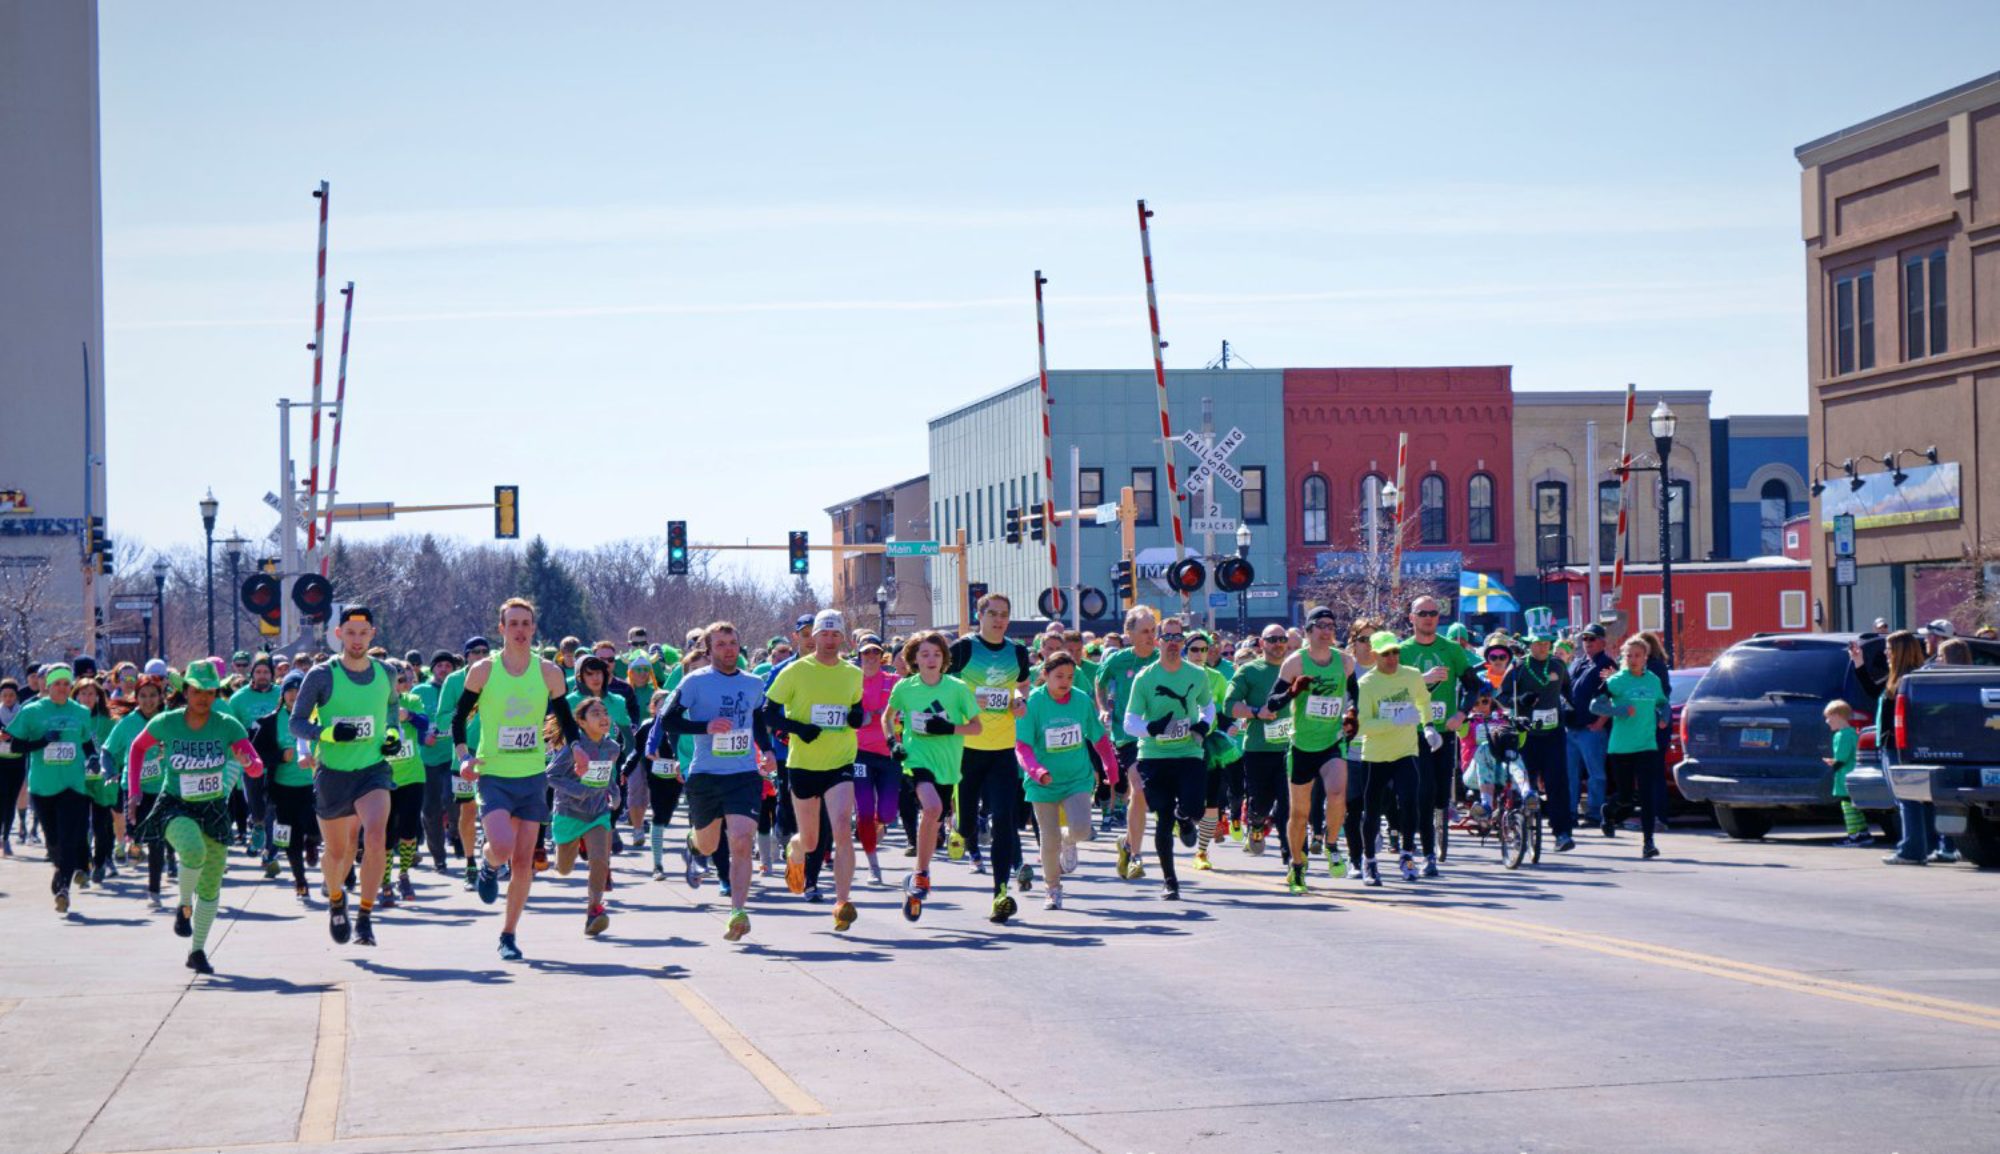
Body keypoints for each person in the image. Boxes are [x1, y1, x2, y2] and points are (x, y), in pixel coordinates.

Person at [453, 597, 582, 961]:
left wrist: (578, 749)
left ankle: (508, 934)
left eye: (526, 623)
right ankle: (489, 864)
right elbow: (458, 718)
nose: (520, 630)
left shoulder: (548, 673)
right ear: (501, 629)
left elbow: (565, 718)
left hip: (532, 775)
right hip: (493, 772)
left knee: (524, 861)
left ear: (534, 628)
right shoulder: (482, 671)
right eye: (513, 624)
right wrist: (464, 756)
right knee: (503, 846)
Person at [125, 662, 265, 974]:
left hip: (214, 809)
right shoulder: (168, 722)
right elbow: (137, 748)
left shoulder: (228, 725)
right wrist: (134, 792)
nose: (203, 697)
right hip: (176, 804)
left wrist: (249, 763)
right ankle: (183, 905)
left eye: (210, 691)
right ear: (186, 691)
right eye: (197, 690)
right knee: (192, 851)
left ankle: (197, 951)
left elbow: (256, 765)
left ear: (217, 693)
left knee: (212, 887)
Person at [652, 622, 775, 942]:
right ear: (708, 650)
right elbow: (667, 719)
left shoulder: (753, 683)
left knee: (741, 838)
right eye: (720, 644)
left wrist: (769, 750)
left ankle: (737, 911)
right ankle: (695, 844)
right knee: (709, 843)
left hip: (744, 774)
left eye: (733, 642)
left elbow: (759, 719)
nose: (729, 649)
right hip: (705, 774)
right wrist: (705, 727)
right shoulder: (695, 682)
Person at [290, 606, 404, 948]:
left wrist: (393, 736)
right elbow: (296, 723)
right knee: (338, 854)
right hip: (333, 774)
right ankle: (337, 898)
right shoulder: (322, 675)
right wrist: (327, 734)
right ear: (338, 634)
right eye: (350, 633)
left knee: (375, 838)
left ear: (372, 634)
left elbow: (391, 710)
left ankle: (365, 918)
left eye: (363, 633)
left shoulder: (386, 673)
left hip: (372, 771)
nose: (357, 640)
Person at [765, 609, 866, 932]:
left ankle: (842, 902)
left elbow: (856, 708)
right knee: (811, 841)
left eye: (836, 634)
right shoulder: (795, 671)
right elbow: (768, 713)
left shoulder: (852, 673)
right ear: (814, 637)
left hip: (841, 762)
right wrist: (799, 728)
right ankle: (795, 850)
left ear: (843, 638)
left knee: (840, 827)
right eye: (824, 634)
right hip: (804, 764)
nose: (829, 640)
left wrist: (855, 717)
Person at [883, 631, 980, 922]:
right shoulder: (905, 688)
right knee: (933, 808)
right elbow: (887, 718)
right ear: (914, 659)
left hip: (948, 764)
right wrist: (893, 743)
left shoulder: (957, 688)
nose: (931, 659)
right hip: (916, 758)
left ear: (944, 659)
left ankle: (916, 877)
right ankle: (922, 874)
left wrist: (949, 729)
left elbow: (976, 728)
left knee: (935, 819)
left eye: (936, 654)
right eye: (924, 654)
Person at [947, 594, 1034, 909]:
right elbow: (941, 684)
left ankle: (1000, 892)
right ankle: (960, 825)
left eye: (1004, 614)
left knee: (1005, 819)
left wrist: (1019, 701)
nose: (999, 620)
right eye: (993, 614)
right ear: (979, 615)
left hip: (1002, 750)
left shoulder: (1017, 651)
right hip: (968, 749)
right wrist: (967, 702)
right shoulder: (964, 649)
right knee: (969, 825)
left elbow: (1023, 685)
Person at [1264, 607, 1357, 893]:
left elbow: (1356, 695)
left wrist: (1353, 714)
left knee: (1338, 791)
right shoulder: (1295, 663)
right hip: (1302, 744)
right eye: (1321, 625)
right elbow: (1271, 704)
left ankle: (1331, 844)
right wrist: (1292, 692)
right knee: (1300, 813)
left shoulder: (1345, 662)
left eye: (1332, 625)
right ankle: (1297, 866)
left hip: (1332, 741)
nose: (1328, 630)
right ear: (1308, 630)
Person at [1122, 616, 1215, 900]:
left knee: (1196, 809)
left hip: (1188, 753)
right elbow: (1129, 722)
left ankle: (1184, 818)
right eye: (1168, 637)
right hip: (1154, 757)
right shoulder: (1146, 677)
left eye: (1178, 638)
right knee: (1162, 819)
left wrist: (1202, 725)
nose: (1173, 643)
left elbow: (1208, 707)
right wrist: (1151, 729)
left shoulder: (1197, 675)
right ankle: (1170, 881)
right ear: (1158, 641)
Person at [1017, 652, 1118, 911]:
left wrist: (1110, 765)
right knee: (1048, 841)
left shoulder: (1081, 701)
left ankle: (1069, 838)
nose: (1065, 682)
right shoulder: (1035, 703)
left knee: (1083, 829)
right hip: (1044, 783)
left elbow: (1098, 737)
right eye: (1059, 676)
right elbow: (1023, 746)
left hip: (1076, 779)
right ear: (1045, 675)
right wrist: (1036, 770)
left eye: (1070, 677)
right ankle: (1053, 889)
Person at [5, 663, 97, 912]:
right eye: (57, 683)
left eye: (67, 684)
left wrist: (93, 758)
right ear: (48, 685)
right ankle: (64, 871)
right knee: (54, 841)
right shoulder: (32, 710)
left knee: (68, 838)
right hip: (43, 787)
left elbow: (87, 741)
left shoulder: (80, 712)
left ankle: (63, 887)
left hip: (73, 784)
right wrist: (41, 742)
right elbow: (14, 746)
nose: (62, 688)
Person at [1353, 631, 1437, 885]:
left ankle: (1407, 855)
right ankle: (1369, 861)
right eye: (1386, 653)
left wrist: (1430, 725)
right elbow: (1363, 725)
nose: (1392, 658)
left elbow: (1424, 700)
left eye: (1396, 652)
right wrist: (1395, 721)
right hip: (1376, 755)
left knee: (1410, 802)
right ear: (1375, 655)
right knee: (1372, 810)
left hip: (1406, 751)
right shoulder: (1367, 683)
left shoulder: (1411, 675)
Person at [1398, 597, 1474, 877]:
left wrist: (1462, 713)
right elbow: (1392, 691)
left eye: (1434, 613)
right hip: (1412, 733)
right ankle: (1425, 853)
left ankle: (1436, 824)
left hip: (1444, 732)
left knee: (1441, 796)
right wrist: (1422, 680)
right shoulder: (1402, 651)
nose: (1429, 617)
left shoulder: (1451, 649)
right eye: (1423, 613)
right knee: (1423, 792)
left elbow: (1473, 687)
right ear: (1412, 618)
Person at [547, 696, 621, 936]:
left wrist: (615, 792)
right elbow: (551, 776)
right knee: (564, 869)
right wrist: (579, 791)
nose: (603, 718)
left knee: (600, 860)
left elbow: (606, 775)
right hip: (569, 812)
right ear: (581, 721)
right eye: (595, 714)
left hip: (598, 813)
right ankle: (570, 846)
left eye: (605, 712)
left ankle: (594, 910)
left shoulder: (612, 748)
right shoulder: (574, 747)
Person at [1590, 635, 1669, 859]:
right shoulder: (1616, 681)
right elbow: (1595, 705)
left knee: (1646, 794)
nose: (1633, 659)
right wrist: (1619, 711)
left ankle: (1648, 843)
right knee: (1625, 797)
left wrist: (1663, 715)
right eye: (1629, 655)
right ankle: (1608, 811)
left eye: (1638, 655)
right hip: (1622, 747)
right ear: (1624, 658)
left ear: (1646, 657)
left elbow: (1662, 702)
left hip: (1647, 744)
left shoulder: (1653, 680)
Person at [1097, 606, 1159, 873]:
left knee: (1146, 795)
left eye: (1153, 631)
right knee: (1139, 788)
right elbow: (1099, 683)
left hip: (1158, 735)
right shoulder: (1117, 660)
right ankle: (1136, 855)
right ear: (1129, 633)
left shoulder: (1162, 659)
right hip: (1127, 734)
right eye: (1144, 631)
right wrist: (1102, 708)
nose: (1150, 636)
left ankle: (1126, 844)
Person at [1501, 632, 1574, 852]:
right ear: (1529, 644)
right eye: (1538, 644)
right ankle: (1519, 828)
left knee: (1557, 783)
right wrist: (1519, 701)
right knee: (1525, 783)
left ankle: (1562, 833)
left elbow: (1567, 689)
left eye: (1546, 643)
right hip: (1527, 736)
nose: (1543, 648)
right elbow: (1501, 697)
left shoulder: (1558, 665)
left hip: (1553, 734)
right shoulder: (1519, 668)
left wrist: (1573, 708)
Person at [104, 675, 171, 905]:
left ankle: (154, 890)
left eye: (153, 695)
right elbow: (108, 750)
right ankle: (133, 844)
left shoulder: (168, 720)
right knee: (136, 830)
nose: (148, 700)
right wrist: (109, 770)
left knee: (157, 840)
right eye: (143, 696)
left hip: (162, 789)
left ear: (161, 697)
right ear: (136, 697)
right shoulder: (127, 723)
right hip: (134, 790)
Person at [1226, 626, 1291, 860]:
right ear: (1262, 643)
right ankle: (1255, 822)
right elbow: (1229, 705)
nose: (1278, 644)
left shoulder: (1295, 668)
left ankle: (1290, 854)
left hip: (1290, 749)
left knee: (1288, 804)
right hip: (1258, 750)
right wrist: (1256, 712)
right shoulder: (1249, 671)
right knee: (1261, 804)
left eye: (1282, 639)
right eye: (1272, 640)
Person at [1879, 629, 1937, 865]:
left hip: (1898, 746)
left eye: (1889, 649)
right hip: (1906, 745)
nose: (1886, 653)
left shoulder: (1905, 680)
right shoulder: (1911, 677)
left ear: (1900, 652)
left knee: (1907, 798)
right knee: (1920, 799)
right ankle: (1927, 846)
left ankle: (1911, 850)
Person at [852, 642, 901, 887]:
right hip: (860, 754)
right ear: (859, 656)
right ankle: (874, 867)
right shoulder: (851, 681)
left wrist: (884, 715)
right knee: (864, 811)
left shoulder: (893, 681)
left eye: (875, 653)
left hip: (889, 753)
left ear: (882, 656)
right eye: (866, 653)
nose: (871, 657)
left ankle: (877, 825)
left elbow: (902, 708)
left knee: (888, 813)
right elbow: (848, 715)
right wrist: (866, 716)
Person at [1566, 623, 1615, 829]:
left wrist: (1600, 722)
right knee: (1570, 774)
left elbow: (1613, 696)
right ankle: (1569, 812)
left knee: (1596, 774)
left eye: (1592, 639)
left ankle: (1595, 814)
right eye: (1585, 639)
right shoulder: (1577, 662)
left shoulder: (1607, 665)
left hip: (1591, 729)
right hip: (1571, 728)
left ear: (1603, 641)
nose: (1587, 643)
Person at [1824, 700, 1868, 846]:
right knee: (1855, 806)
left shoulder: (1841, 735)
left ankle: (1854, 835)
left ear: (1837, 716)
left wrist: (1833, 763)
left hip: (1845, 777)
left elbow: (1842, 758)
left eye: (1829, 717)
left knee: (1847, 806)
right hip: (1854, 774)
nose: (1827, 721)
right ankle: (1863, 833)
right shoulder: (1853, 733)